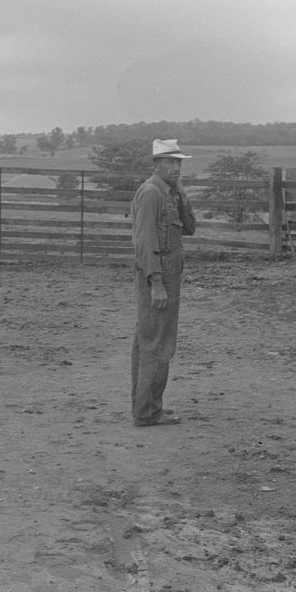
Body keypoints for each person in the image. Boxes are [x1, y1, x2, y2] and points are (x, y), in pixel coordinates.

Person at [130, 139, 197, 427]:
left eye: (179, 162)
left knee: (155, 339)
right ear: (156, 164)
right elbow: (144, 241)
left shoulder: (169, 193)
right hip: (158, 277)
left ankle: (149, 406)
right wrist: (156, 282)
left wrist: (182, 195)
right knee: (156, 343)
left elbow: (191, 228)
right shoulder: (151, 193)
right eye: (170, 162)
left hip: (169, 275)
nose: (176, 167)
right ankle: (147, 412)